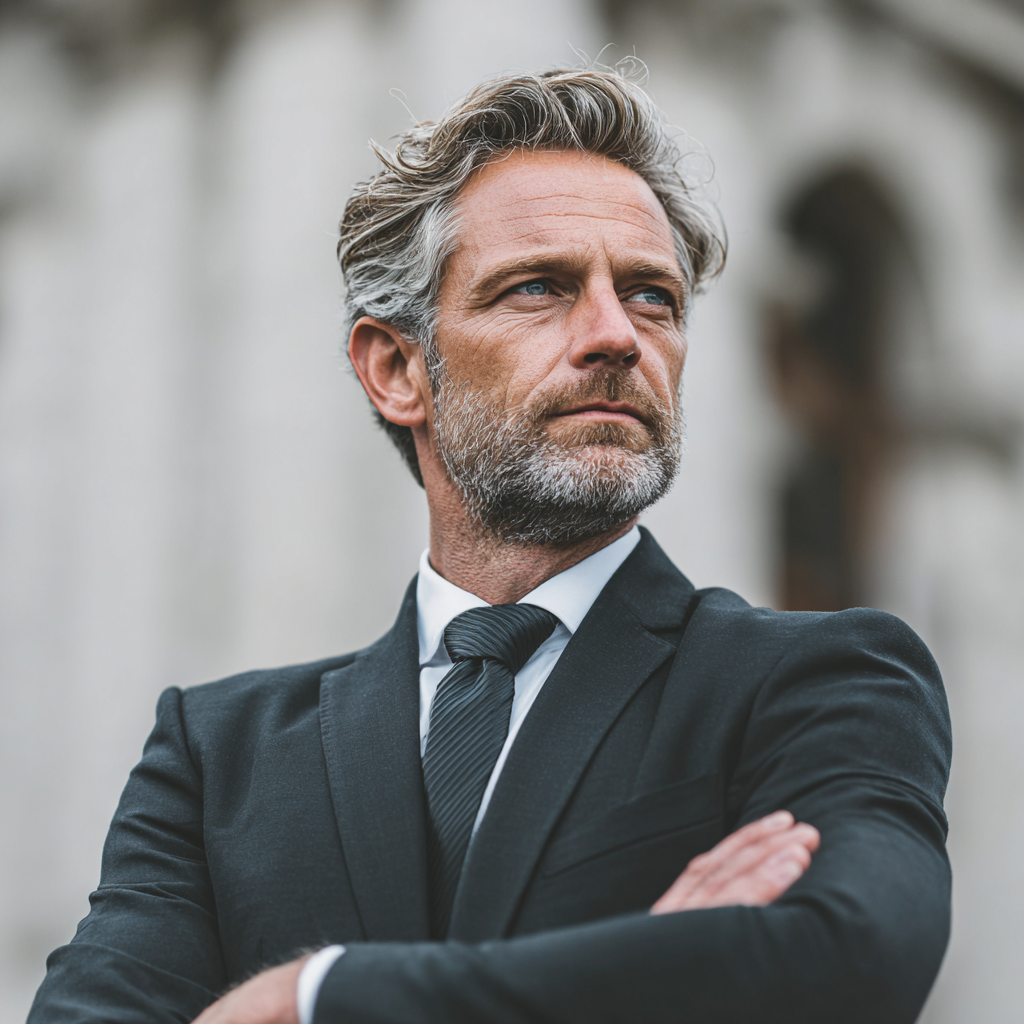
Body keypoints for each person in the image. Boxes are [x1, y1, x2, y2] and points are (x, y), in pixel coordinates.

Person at [29, 68, 951, 1024]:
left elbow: (849, 956)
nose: (614, 337)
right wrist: (660, 968)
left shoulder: (820, 683)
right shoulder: (217, 754)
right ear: (396, 369)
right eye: (540, 288)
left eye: (651, 297)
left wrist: (310, 996)